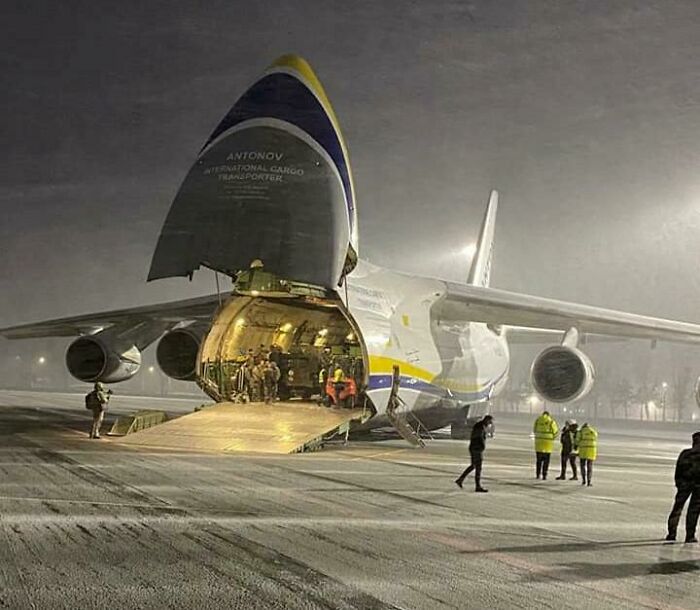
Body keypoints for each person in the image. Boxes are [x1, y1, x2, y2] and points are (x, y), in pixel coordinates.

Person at [665, 431, 700, 543]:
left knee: (677, 508)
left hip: (684, 485)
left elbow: (678, 470)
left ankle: (671, 533)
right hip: (698, 487)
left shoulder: (685, 453)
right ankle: (690, 535)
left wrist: (679, 484)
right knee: (694, 511)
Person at [455, 415, 494, 493]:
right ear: (487, 420)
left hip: (475, 448)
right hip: (476, 449)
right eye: (490, 421)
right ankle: (477, 486)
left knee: (473, 466)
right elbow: (478, 437)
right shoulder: (480, 426)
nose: (491, 423)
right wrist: (482, 446)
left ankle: (460, 480)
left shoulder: (481, 425)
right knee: (478, 467)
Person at [533, 410, 559, 480]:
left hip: (539, 443)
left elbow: (534, 430)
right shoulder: (551, 421)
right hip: (548, 444)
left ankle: (538, 474)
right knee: (546, 461)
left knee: (538, 460)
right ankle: (544, 475)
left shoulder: (538, 420)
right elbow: (555, 432)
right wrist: (552, 438)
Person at [575, 422, 598, 487]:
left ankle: (583, 480)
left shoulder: (581, 432)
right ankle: (589, 481)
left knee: (582, 465)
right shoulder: (593, 431)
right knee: (589, 466)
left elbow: (577, 440)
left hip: (583, 450)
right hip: (591, 450)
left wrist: (575, 446)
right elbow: (595, 438)